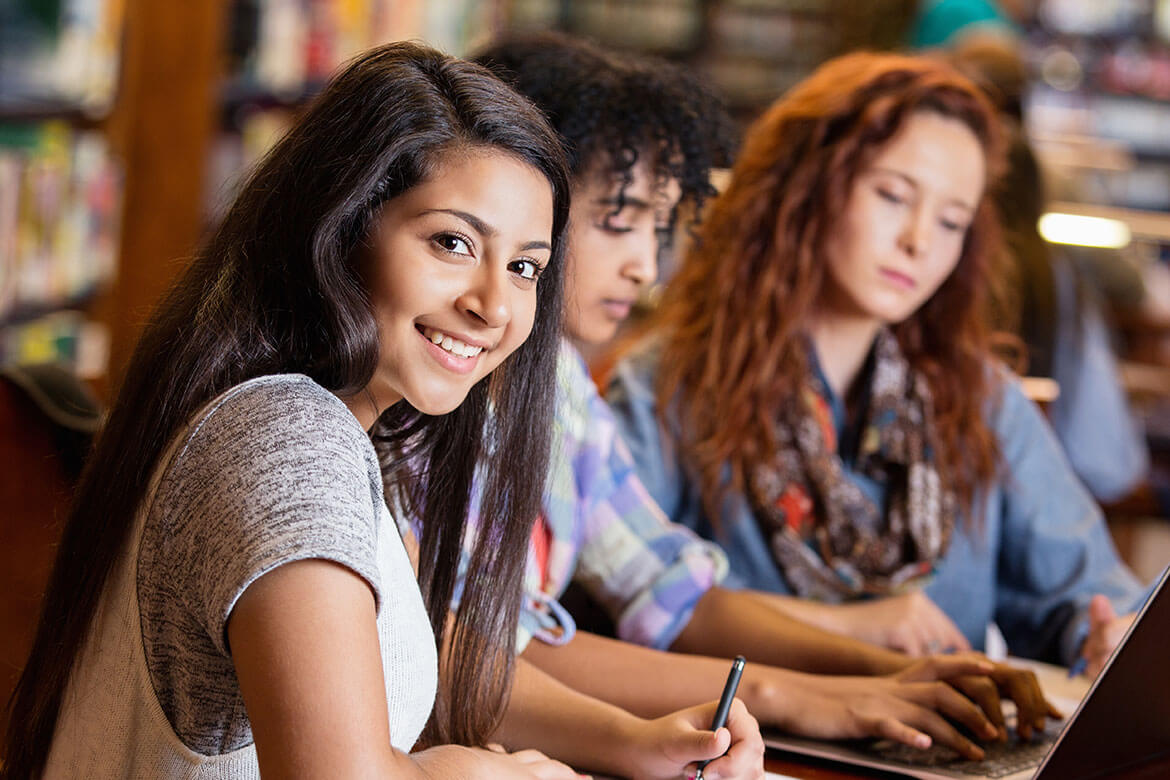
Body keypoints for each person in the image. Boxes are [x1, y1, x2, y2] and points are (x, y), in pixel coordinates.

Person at [1, 42, 760, 780]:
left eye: (526, 266)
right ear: (341, 231)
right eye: (453, 243)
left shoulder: (346, 428)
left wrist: (632, 742)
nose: (494, 305)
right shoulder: (283, 441)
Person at [471, 34, 1060, 762]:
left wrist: (890, 673)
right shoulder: (467, 396)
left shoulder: (558, 388)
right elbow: (482, 658)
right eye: (617, 223)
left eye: (951, 221)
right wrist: (800, 692)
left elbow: (669, 590)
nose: (645, 266)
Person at [606, 51, 1148, 683]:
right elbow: (616, 603)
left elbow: (1088, 595)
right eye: (893, 196)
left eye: (952, 221)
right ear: (806, 187)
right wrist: (856, 626)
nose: (919, 240)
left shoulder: (979, 397)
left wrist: (1108, 634)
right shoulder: (666, 384)